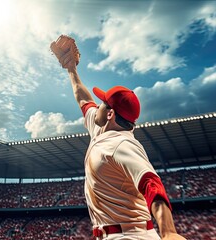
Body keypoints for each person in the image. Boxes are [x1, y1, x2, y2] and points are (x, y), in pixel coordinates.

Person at [56, 40, 186, 240]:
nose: (97, 105)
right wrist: (71, 69)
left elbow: (151, 183)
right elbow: (82, 98)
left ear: (110, 114)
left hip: (132, 235)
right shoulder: (100, 129)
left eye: (103, 102)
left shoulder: (123, 144)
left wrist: (168, 231)